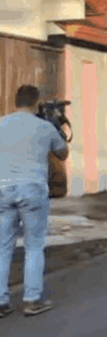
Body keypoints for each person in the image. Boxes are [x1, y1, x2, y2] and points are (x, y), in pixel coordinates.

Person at [0, 85, 69, 318]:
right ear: (37, 102)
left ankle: (1, 301)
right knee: (33, 246)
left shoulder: (1, 124)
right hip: (33, 190)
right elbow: (62, 153)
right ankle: (32, 300)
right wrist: (57, 126)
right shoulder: (45, 127)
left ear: (16, 101)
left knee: (3, 247)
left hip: (3, 190)